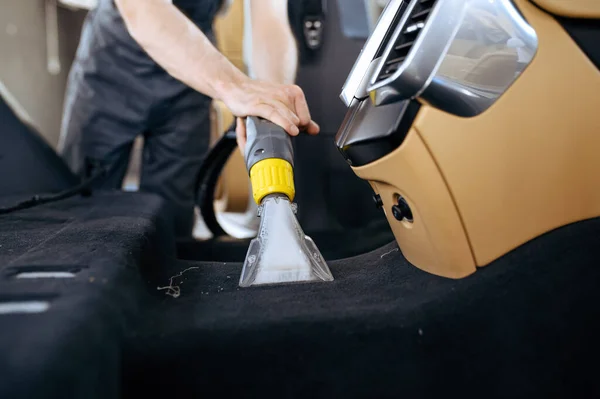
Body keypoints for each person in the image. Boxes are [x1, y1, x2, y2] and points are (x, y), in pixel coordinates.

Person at [58, 0, 319, 238]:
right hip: (114, 70)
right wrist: (236, 88)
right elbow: (144, 10)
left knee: (171, 223)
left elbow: (270, 21)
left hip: (191, 79)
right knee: (80, 213)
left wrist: (269, 106)